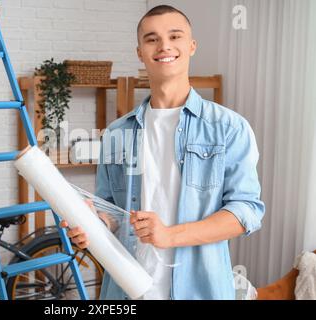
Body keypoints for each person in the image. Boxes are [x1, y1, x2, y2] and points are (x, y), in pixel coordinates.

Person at [60, 5, 265, 300]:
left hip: (201, 290)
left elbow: (245, 211)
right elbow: (110, 210)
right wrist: (93, 225)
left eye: (175, 36)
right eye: (152, 39)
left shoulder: (229, 127)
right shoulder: (117, 132)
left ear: (191, 46)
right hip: (126, 291)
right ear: (140, 52)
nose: (164, 46)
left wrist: (170, 235)